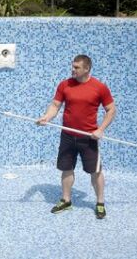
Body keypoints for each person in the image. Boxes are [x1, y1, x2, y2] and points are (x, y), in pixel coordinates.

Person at [36, 55, 116, 219]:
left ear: (87, 69)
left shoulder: (99, 87)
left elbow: (111, 110)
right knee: (66, 168)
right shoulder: (65, 85)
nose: (73, 69)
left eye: (77, 67)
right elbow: (55, 105)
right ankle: (66, 200)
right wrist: (47, 117)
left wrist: (101, 129)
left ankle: (100, 202)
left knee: (95, 171)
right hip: (67, 135)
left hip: (88, 138)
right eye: (72, 66)